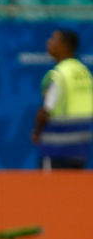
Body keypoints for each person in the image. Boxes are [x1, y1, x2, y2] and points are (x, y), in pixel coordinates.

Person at [32, 29, 93, 170]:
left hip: (56, 150)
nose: (49, 43)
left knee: (50, 191)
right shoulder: (85, 73)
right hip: (80, 150)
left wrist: (37, 132)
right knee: (73, 191)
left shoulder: (59, 75)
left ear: (65, 45)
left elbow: (45, 111)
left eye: (54, 39)